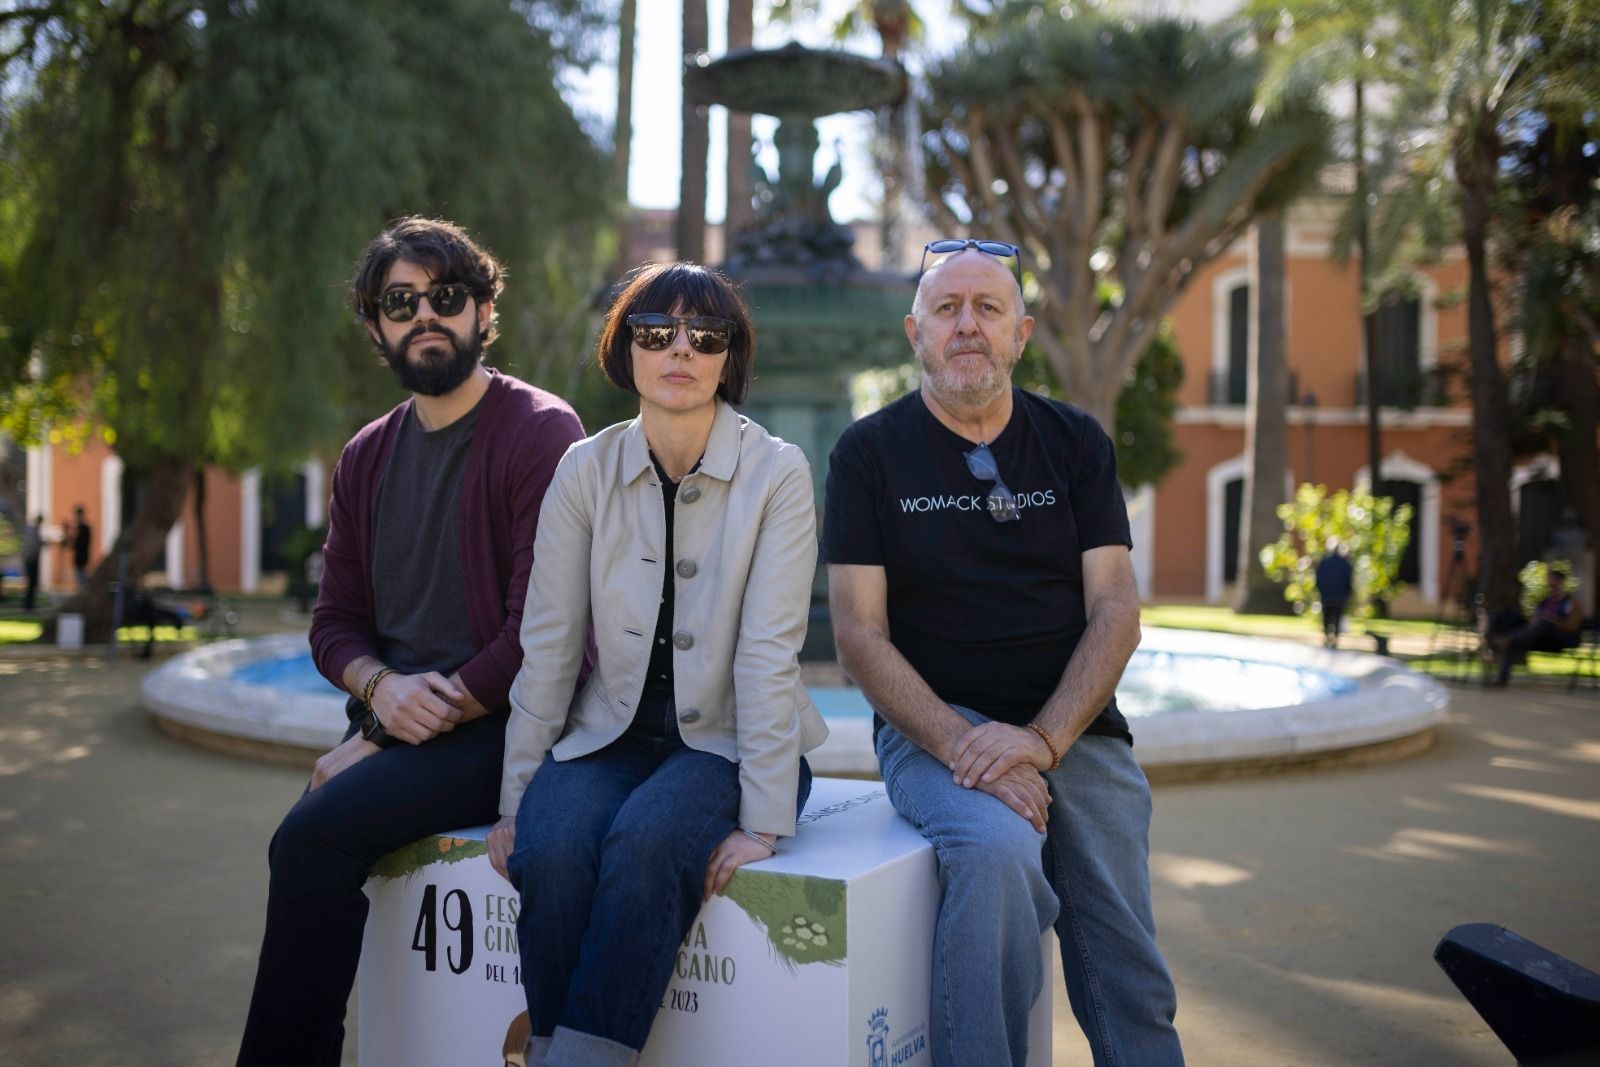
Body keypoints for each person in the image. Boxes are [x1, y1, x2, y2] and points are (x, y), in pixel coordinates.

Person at [824, 239, 1185, 1067]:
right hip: (935, 733)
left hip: (1079, 730)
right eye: (947, 309)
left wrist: (1045, 738)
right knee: (994, 852)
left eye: (987, 308)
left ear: (1020, 333)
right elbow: (856, 632)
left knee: (1126, 960)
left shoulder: (1074, 442)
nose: (967, 326)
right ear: (915, 331)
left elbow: (1117, 610)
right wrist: (964, 743)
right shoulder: (868, 454)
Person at [236, 217, 586, 1067]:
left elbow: (540, 631)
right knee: (314, 836)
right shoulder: (364, 456)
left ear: (482, 308)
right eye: (400, 301)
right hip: (402, 719)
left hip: (504, 725)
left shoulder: (541, 431)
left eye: (446, 296)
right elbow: (335, 623)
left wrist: (385, 734)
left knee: (310, 838)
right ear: (374, 325)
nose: (424, 314)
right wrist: (376, 693)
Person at [486, 262, 828, 1067]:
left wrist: (763, 818)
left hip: (732, 745)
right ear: (626, 349)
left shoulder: (778, 471)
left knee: (644, 844)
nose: (680, 349)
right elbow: (550, 641)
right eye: (655, 332)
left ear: (727, 357)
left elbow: (771, 650)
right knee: (554, 842)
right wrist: (514, 800)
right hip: (610, 736)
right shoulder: (584, 470)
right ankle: (548, 1048)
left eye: (704, 335)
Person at [1488, 568, 1584, 686]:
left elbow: (1572, 626)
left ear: (1562, 582)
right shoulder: (1543, 603)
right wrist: (1535, 621)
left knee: (1544, 622)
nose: (1551, 585)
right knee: (1516, 633)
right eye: (1549, 582)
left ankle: (1507, 639)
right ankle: (1502, 679)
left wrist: (1553, 621)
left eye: (1554, 581)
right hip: (1538, 638)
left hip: (1559, 639)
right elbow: (1532, 624)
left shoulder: (1572, 603)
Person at [1315, 539, 1354, 648]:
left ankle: (1328, 637)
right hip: (1340, 597)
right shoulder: (1345, 563)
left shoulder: (1324, 562)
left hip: (1327, 597)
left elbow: (1318, 580)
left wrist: (1321, 592)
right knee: (1337, 619)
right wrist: (1347, 595)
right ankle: (1335, 639)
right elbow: (1349, 581)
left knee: (1326, 619)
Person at [21, 515, 44, 611]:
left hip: (30, 559)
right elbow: (34, 546)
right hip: (31, 560)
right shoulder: (33, 531)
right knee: (32, 582)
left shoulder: (32, 531)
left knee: (32, 583)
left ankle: (29, 603)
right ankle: (28, 604)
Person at [71, 505, 91, 590]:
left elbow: (79, 544)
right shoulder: (81, 528)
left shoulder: (84, 528)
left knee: (81, 578)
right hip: (81, 556)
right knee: (81, 577)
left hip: (81, 556)